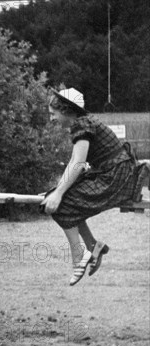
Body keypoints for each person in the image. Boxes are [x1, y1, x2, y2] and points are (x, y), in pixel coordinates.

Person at [41, 88, 137, 286]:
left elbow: (77, 163)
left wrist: (59, 193)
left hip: (117, 175)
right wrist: (57, 191)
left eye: (53, 114)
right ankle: (94, 247)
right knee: (61, 199)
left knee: (62, 205)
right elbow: (75, 163)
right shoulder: (84, 123)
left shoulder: (82, 125)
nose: (51, 119)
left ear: (67, 110)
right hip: (111, 171)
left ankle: (80, 257)